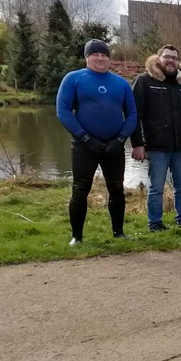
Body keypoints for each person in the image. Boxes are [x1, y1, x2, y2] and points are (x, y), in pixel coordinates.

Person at [56, 39, 137, 246]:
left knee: (117, 189)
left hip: (113, 146)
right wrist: (84, 137)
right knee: (80, 189)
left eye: (104, 55)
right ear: (87, 58)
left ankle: (118, 232)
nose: (100, 58)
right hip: (85, 146)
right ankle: (77, 236)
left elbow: (132, 114)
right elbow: (63, 111)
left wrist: (120, 139)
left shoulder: (120, 83)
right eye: (95, 55)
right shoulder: (73, 78)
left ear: (109, 58)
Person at [130, 45, 181, 232]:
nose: (170, 60)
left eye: (174, 57)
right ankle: (154, 223)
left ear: (179, 62)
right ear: (158, 59)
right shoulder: (144, 81)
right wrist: (137, 144)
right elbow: (134, 114)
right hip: (156, 147)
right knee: (156, 188)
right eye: (167, 57)